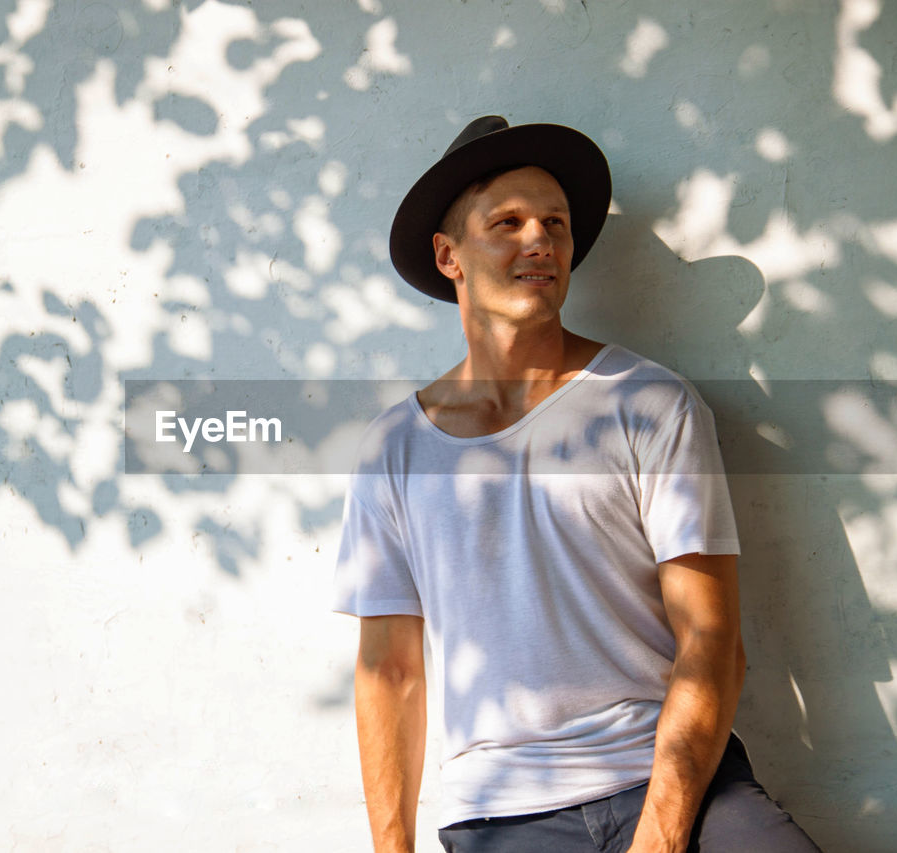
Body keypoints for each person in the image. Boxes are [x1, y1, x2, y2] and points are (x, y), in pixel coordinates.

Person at [332, 116, 820, 853]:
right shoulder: (395, 450)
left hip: (675, 778)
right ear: (448, 256)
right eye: (508, 222)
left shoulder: (650, 404)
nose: (541, 241)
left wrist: (658, 839)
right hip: (502, 814)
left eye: (555, 224)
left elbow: (713, 640)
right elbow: (390, 672)